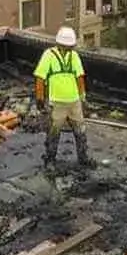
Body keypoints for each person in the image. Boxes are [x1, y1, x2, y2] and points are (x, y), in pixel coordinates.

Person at [32, 26, 95, 169]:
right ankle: (50, 159)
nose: (68, 48)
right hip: (57, 102)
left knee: (80, 131)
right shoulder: (49, 55)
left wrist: (82, 97)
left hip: (74, 102)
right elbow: (40, 78)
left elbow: (79, 77)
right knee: (54, 131)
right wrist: (40, 98)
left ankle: (83, 158)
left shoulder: (74, 56)